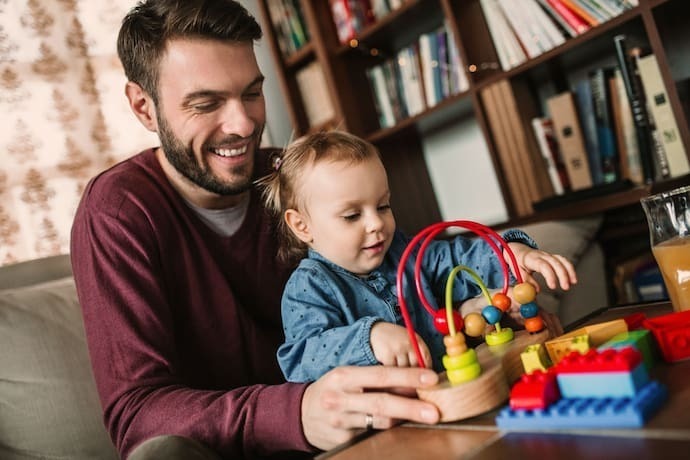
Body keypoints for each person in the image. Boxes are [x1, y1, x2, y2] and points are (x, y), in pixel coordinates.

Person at [69, 1, 444, 459]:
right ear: (144, 107)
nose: (244, 125)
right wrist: (299, 413)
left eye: (251, 93)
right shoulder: (118, 212)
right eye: (206, 103)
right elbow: (137, 415)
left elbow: (409, 273)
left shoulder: (293, 180)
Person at [258, 131, 577, 383]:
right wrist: (370, 337)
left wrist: (512, 254)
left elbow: (457, 259)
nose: (376, 223)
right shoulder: (308, 288)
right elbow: (301, 358)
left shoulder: (404, 252)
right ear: (302, 226)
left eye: (383, 206)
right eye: (352, 215)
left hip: (456, 390)